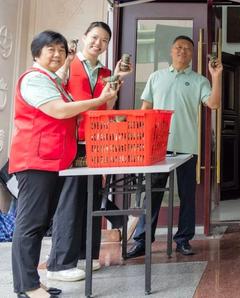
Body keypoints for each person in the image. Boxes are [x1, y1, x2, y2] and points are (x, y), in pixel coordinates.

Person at [9, 30, 117, 297]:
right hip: (35, 160)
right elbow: (58, 111)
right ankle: (27, 286)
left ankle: (33, 282)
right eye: (50, 50)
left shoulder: (54, 81)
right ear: (37, 53)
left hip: (53, 161)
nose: (57, 55)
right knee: (31, 223)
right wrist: (100, 100)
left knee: (40, 221)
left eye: (61, 50)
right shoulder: (34, 79)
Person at [46, 21, 133, 282]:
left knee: (93, 197)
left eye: (104, 40)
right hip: (71, 139)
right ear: (85, 38)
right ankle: (59, 264)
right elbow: (57, 94)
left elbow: (108, 106)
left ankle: (87, 256)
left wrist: (117, 80)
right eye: (94, 38)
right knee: (70, 200)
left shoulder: (106, 71)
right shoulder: (68, 63)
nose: (98, 43)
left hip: (96, 140)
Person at [126, 35, 222, 259]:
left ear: (192, 54)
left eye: (188, 49)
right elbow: (146, 108)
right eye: (179, 47)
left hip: (188, 146)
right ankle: (142, 240)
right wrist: (140, 137)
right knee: (153, 193)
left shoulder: (199, 80)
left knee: (187, 195)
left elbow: (214, 104)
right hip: (158, 146)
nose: (183, 51)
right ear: (171, 50)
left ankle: (183, 239)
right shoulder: (156, 77)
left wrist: (216, 77)